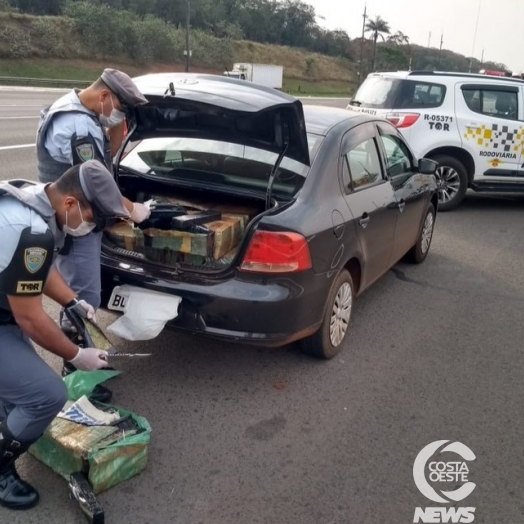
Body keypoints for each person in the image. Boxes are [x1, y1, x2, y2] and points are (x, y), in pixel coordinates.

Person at [0, 160, 129, 510]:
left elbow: (42, 268)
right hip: (8, 317)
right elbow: (29, 317)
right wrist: (75, 356)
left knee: (18, 397)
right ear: (71, 203)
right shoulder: (30, 230)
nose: (94, 228)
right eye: (95, 220)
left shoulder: (33, 198)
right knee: (45, 395)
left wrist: (72, 301)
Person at [36, 69, 150, 401]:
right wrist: (133, 211)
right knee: (82, 300)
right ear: (104, 97)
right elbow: (93, 185)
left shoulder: (81, 112)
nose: (121, 117)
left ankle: (82, 362)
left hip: (76, 220)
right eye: (121, 109)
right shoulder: (78, 127)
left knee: (82, 296)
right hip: (75, 226)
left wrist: (115, 124)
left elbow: (108, 160)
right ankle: (78, 376)